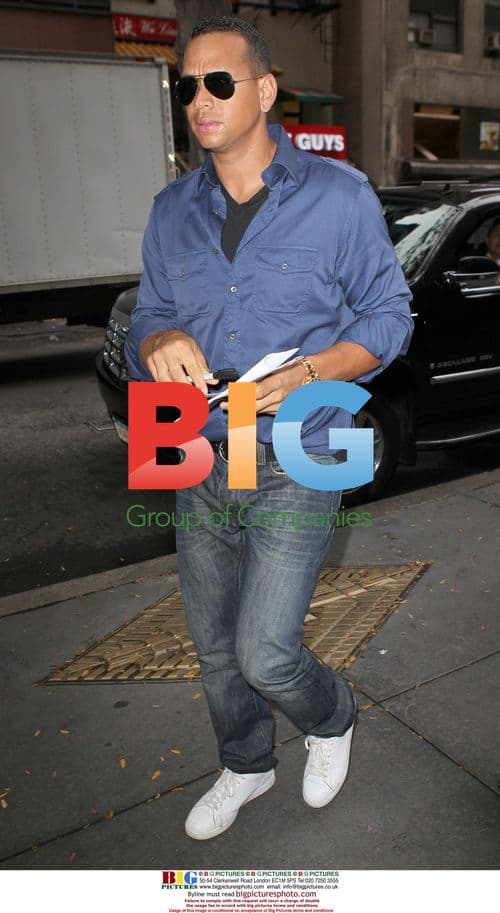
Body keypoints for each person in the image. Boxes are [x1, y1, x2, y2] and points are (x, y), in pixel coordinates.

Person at [125, 16, 413, 841]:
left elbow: (391, 319)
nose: (200, 99)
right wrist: (158, 339)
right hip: (188, 444)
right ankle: (247, 763)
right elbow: (150, 312)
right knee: (214, 647)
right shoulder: (171, 209)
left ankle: (334, 714)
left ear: (263, 91)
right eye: (187, 85)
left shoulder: (339, 196)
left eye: (219, 81)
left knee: (264, 651)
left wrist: (313, 369)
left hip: (299, 447)